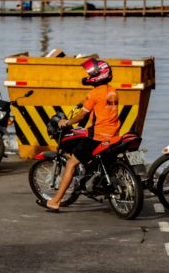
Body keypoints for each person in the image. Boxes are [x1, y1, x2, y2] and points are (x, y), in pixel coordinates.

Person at [37, 57, 120, 212]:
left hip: (98, 136)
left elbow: (82, 116)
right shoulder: (112, 91)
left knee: (71, 163)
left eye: (91, 73)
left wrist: (67, 123)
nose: (88, 76)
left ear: (98, 75)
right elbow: (100, 107)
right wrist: (85, 103)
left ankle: (55, 201)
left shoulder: (94, 93)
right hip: (114, 134)